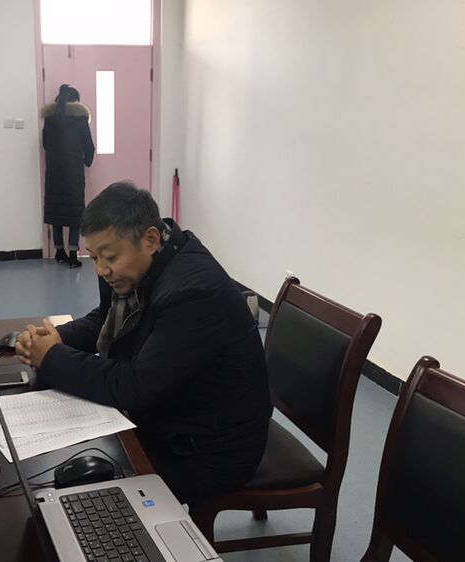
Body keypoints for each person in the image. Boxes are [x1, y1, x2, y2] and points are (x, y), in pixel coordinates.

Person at [15, 182, 272, 504]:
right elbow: (105, 319)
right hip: (176, 415)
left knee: (83, 494)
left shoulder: (191, 293)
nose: (100, 270)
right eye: (93, 257)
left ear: (150, 240)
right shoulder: (147, 263)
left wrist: (52, 357)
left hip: (208, 450)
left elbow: (135, 386)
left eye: (109, 257)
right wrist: (57, 338)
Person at [41, 84, 95, 268]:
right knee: (74, 213)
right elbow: (88, 145)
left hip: (54, 173)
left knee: (56, 211)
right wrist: (87, 160)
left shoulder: (50, 120)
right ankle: (73, 254)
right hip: (73, 173)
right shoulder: (80, 120)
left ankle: (59, 252)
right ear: (75, 101)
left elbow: (46, 144)